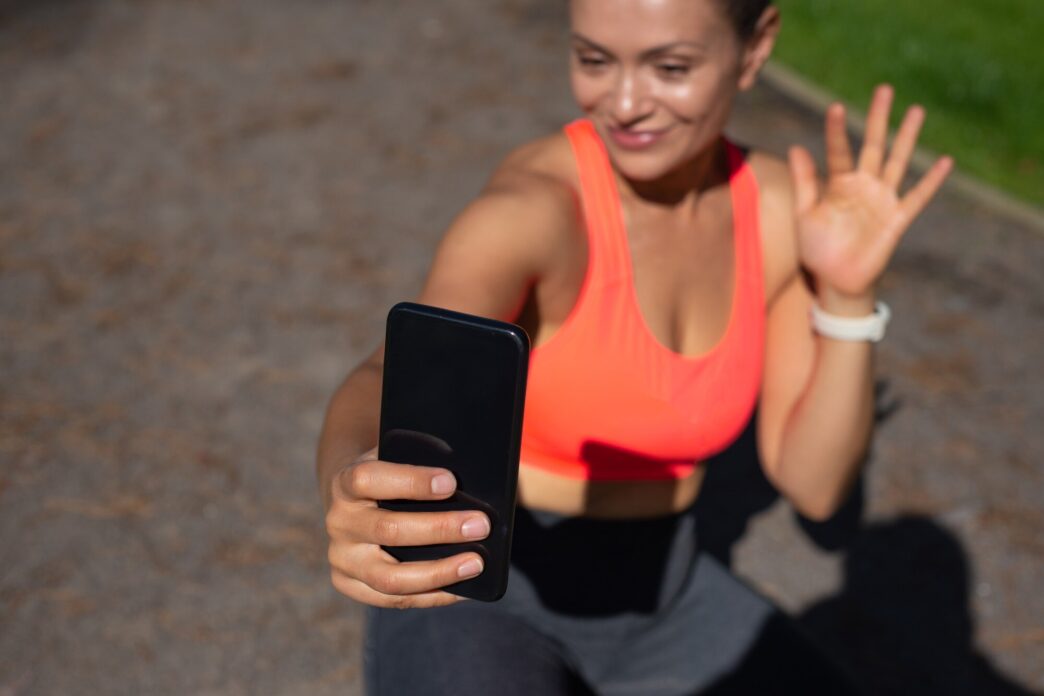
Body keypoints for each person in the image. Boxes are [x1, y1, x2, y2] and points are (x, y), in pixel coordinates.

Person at [317, 0, 953, 693]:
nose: (622, 103)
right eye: (593, 59)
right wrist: (350, 480)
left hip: (670, 598)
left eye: (671, 67)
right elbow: (391, 371)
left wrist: (847, 297)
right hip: (479, 588)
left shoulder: (777, 211)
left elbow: (815, 484)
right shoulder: (532, 213)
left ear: (756, 45)